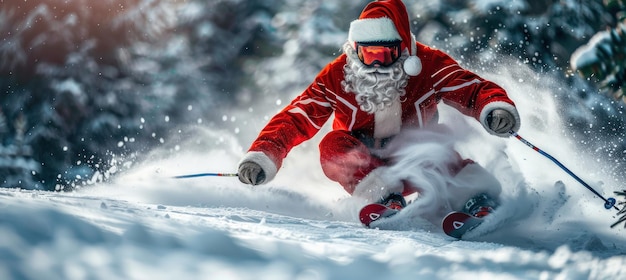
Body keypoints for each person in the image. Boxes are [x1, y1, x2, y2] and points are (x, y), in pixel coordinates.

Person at [237, 0, 520, 222]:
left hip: (420, 158)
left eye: (382, 56)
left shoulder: (428, 64)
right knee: (332, 146)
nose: (373, 65)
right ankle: (383, 198)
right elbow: (298, 116)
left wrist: (493, 108)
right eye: (366, 55)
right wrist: (263, 155)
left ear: (402, 50)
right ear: (354, 50)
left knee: (433, 148)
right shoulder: (338, 76)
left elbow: (469, 88)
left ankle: (475, 199)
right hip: (367, 165)